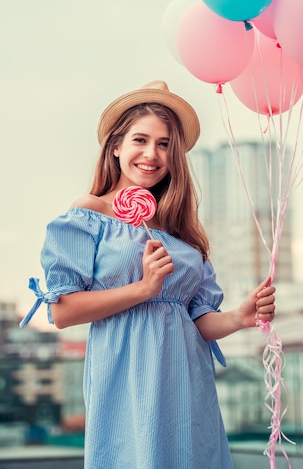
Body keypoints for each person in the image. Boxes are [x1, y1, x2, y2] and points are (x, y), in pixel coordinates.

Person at [20, 80, 276, 469]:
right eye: (141, 140)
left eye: (164, 145)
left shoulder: (181, 232)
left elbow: (196, 319)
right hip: (127, 378)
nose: (151, 154)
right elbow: (64, 311)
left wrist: (239, 318)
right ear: (116, 147)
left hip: (188, 381)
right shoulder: (90, 214)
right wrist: (143, 288)